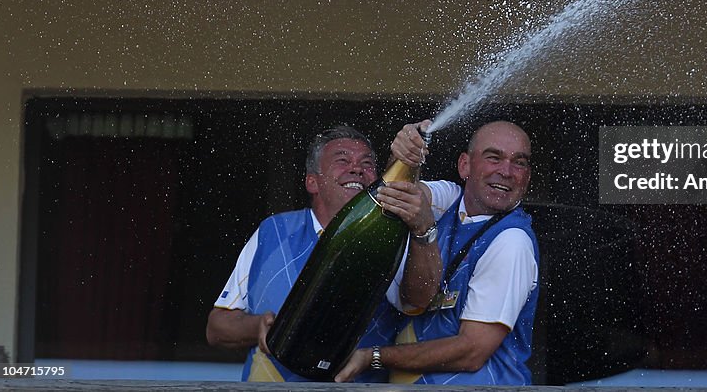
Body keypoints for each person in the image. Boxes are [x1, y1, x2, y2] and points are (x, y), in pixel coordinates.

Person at [206, 125, 439, 382]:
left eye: (367, 163)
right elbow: (217, 327)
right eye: (342, 160)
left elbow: (418, 301)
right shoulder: (273, 231)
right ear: (312, 182)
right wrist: (257, 326)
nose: (357, 169)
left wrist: (423, 230)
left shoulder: (391, 235)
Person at [336, 119, 540, 385]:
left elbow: (471, 352)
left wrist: (372, 356)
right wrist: (405, 157)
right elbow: (397, 194)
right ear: (464, 165)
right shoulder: (451, 199)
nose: (507, 171)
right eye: (494, 157)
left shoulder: (512, 241)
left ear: (527, 176)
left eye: (519, 162)